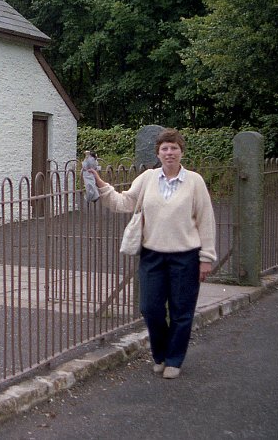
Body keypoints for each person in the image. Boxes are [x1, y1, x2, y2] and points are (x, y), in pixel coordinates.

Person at [88, 128, 216, 379]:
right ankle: (160, 354)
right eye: (164, 148)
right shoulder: (148, 178)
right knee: (150, 308)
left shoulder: (195, 181)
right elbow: (124, 202)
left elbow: (206, 220)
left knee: (181, 310)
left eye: (174, 148)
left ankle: (174, 360)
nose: (169, 153)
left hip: (186, 257)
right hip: (152, 255)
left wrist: (206, 259)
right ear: (158, 153)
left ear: (181, 152)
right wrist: (101, 184)